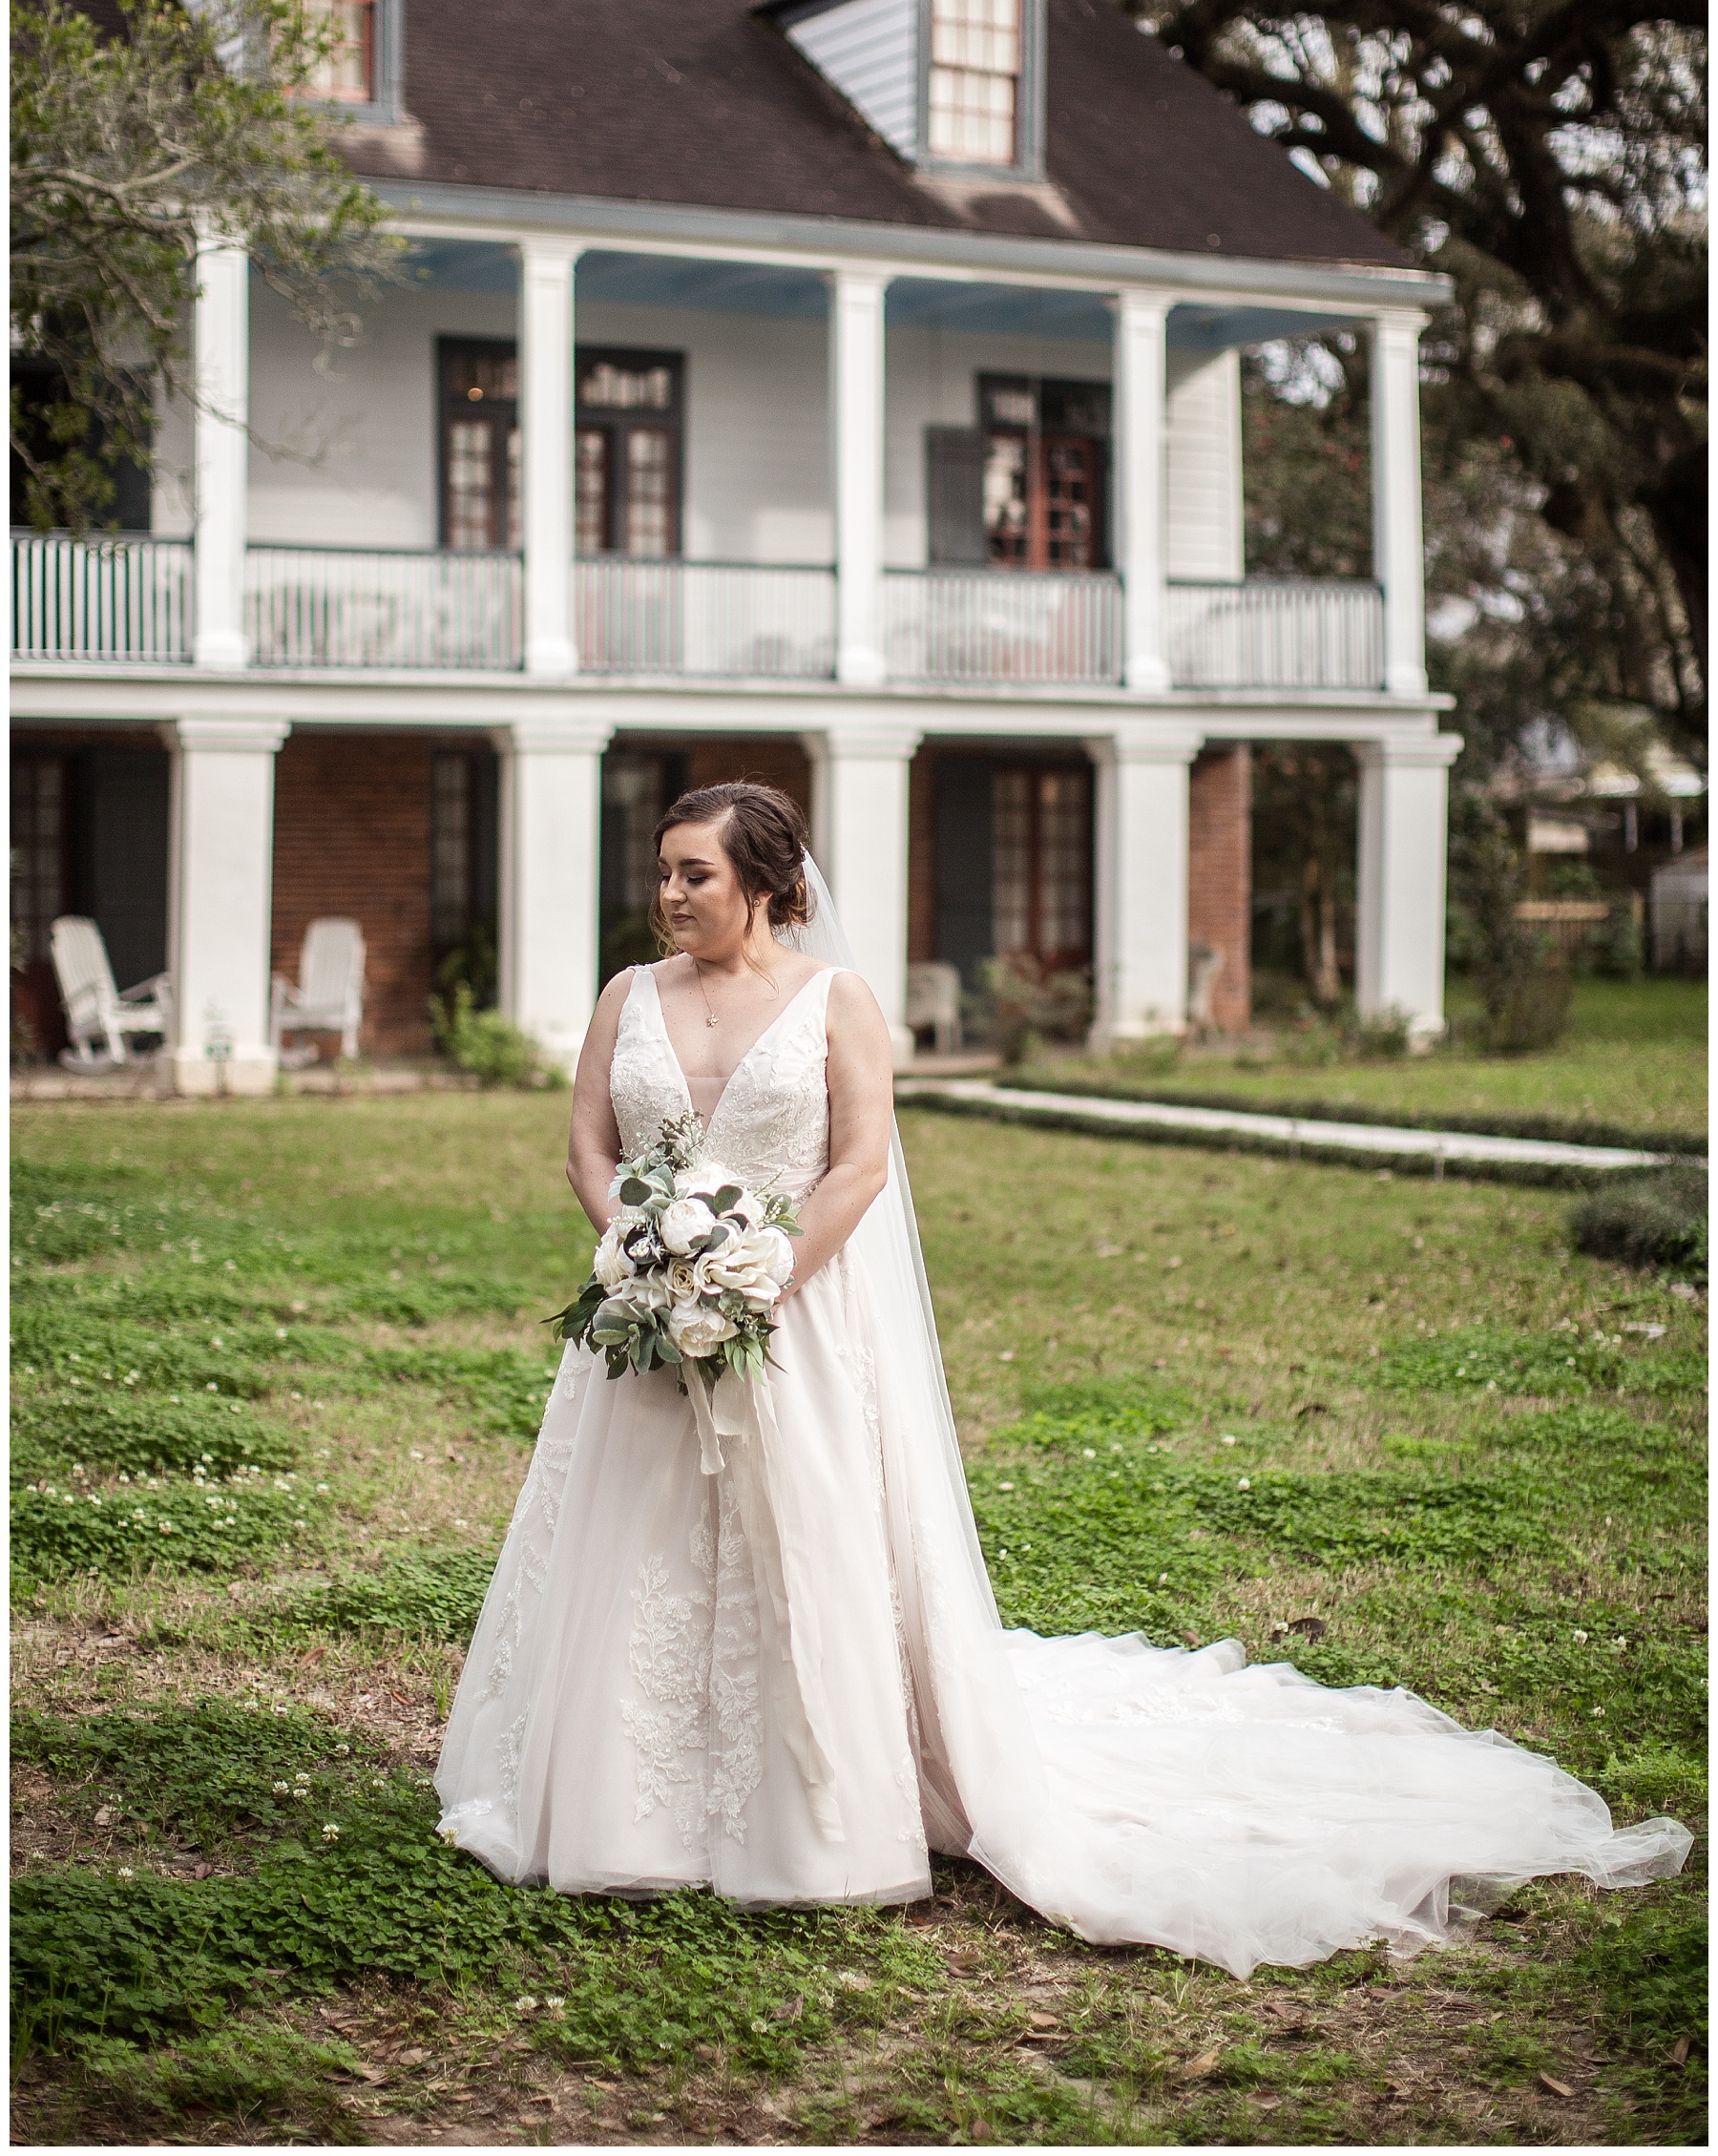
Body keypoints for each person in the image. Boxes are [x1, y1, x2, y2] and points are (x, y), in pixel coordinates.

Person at [436, 782, 1689, 1976]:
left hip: (791, 1322)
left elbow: (861, 1166)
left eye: (693, 873)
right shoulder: (629, 994)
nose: (668, 893)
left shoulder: (836, 1003)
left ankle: (808, 1814)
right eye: (662, 873)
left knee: (807, 1550)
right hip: (649, 1323)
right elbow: (589, 1142)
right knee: (637, 1548)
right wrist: (640, 1248)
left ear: (764, 884)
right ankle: (629, 1812)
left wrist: (758, 1278)